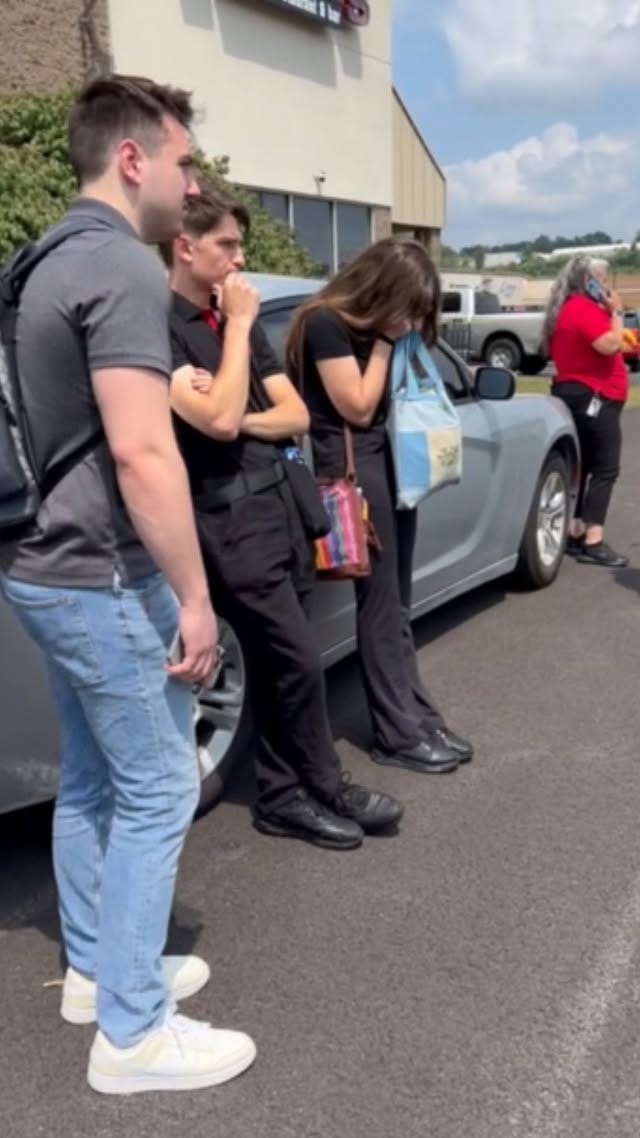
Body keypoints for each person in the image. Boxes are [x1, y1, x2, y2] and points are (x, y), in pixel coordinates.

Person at [0, 76, 256, 1095]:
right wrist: (194, 600)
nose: (193, 183)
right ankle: (134, 1033)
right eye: (184, 162)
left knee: (95, 777)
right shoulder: (116, 265)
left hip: (41, 563)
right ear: (134, 157)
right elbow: (145, 453)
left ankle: (97, 972)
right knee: (159, 786)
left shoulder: (41, 259)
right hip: (100, 573)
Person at [162, 187, 403, 851]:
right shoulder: (165, 325)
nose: (240, 259)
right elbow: (212, 422)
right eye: (227, 245)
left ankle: (282, 794)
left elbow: (292, 413)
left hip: (282, 506)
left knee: (282, 662)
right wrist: (239, 338)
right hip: (227, 518)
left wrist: (237, 410)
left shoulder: (224, 322)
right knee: (296, 657)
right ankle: (328, 784)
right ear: (186, 247)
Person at [287, 238, 473, 775]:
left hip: (388, 464)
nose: (414, 319)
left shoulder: (374, 328)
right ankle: (396, 732)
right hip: (353, 469)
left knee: (397, 604)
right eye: (409, 305)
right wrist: (388, 343)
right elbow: (358, 406)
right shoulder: (325, 323)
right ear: (383, 291)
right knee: (379, 605)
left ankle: (417, 714)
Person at [542, 255, 629, 568]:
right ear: (588, 281)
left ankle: (576, 528)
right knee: (605, 468)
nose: (606, 287)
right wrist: (616, 312)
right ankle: (593, 538)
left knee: (586, 464)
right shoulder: (582, 309)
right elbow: (609, 344)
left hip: (582, 393)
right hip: (595, 395)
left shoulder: (570, 308)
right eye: (602, 281)